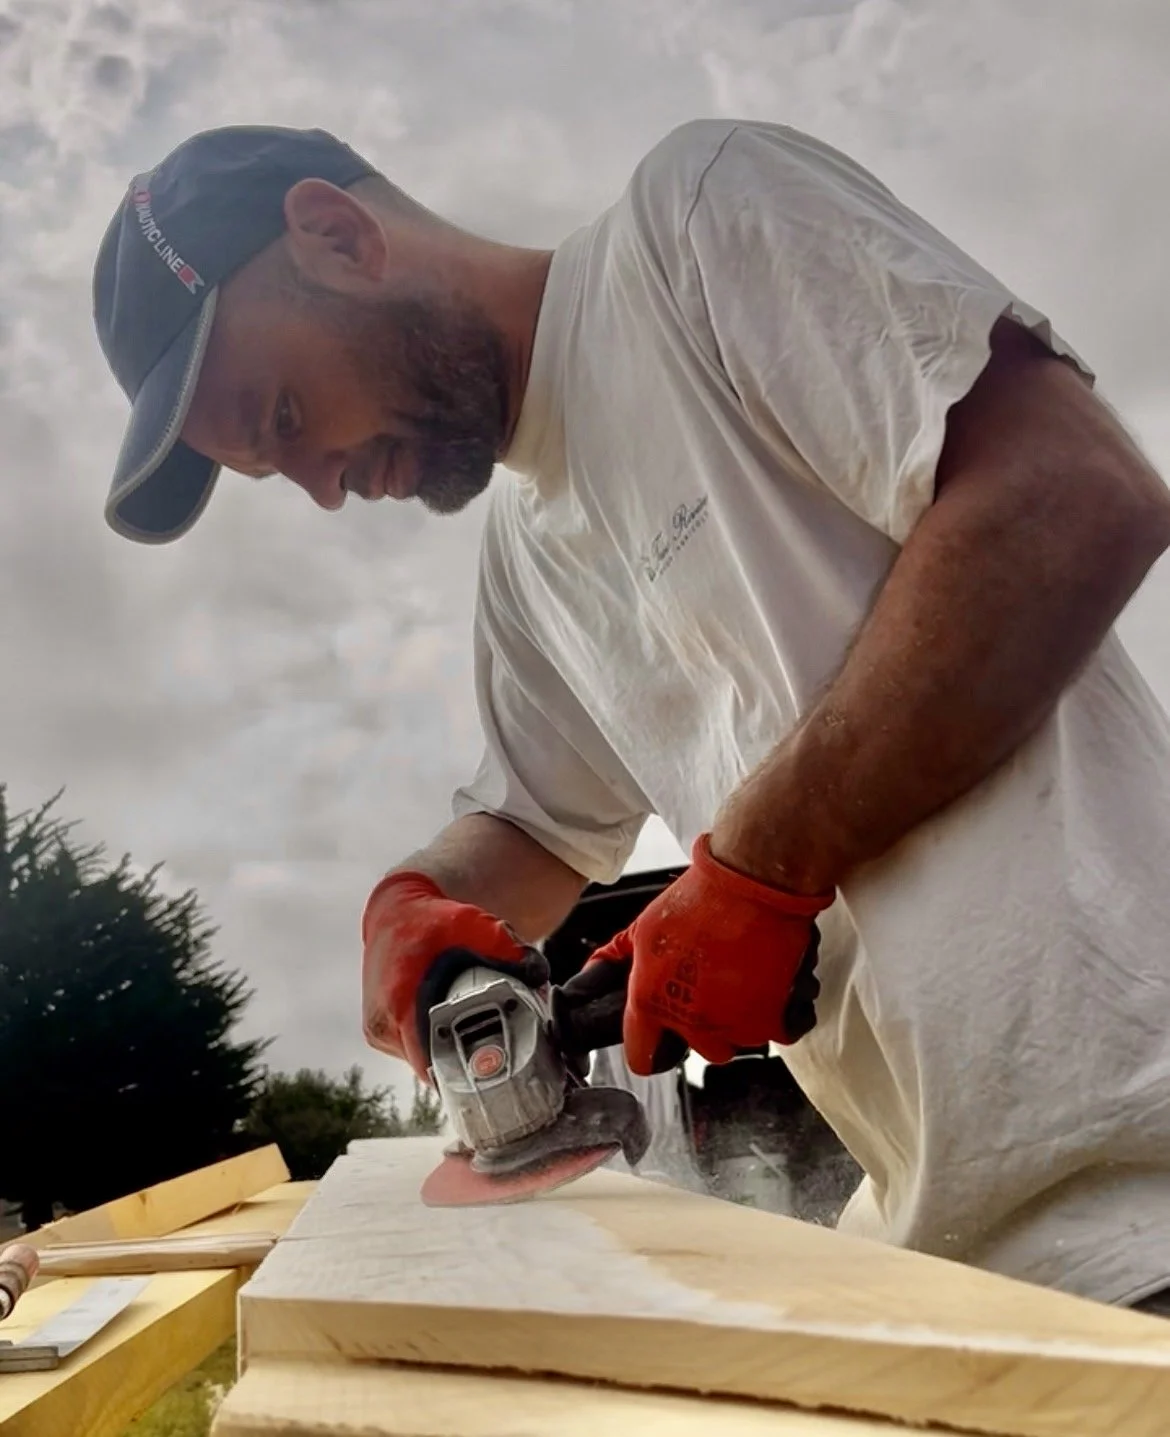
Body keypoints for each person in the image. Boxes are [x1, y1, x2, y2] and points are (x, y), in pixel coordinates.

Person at [90, 118, 1170, 1314]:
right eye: (276, 474)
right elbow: (535, 829)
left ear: (339, 236)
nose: (325, 489)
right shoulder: (528, 560)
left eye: (287, 418)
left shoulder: (693, 228)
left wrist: (760, 868)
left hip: (1141, 1181)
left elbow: (1069, 494)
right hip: (955, 1258)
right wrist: (414, 902)